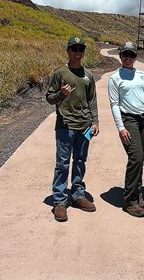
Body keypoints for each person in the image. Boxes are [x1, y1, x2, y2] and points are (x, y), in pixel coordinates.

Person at [46, 36, 99, 222]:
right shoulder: (60, 73)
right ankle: (59, 201)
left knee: (80, 161)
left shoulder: (88, 74)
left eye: (81, 49)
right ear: (68, 51)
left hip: (84, 125)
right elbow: (49, 98)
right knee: (62, 163)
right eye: (74, 48)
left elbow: (92, 100)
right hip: (65, 125)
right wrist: (62, 94)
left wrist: (95, 121)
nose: (78, 52)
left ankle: (78, 195)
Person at [108, 41, 144, 218]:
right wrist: (121, 127)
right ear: (120, 56)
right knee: (136, 157)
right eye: (125, 54)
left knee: (140, 159)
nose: (128, 58)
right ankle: (129, 201)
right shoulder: (115, 78)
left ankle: (138, 194)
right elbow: (114, 104)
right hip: (129, 120)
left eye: (131, 55)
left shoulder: (142, 75)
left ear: (135, 57)